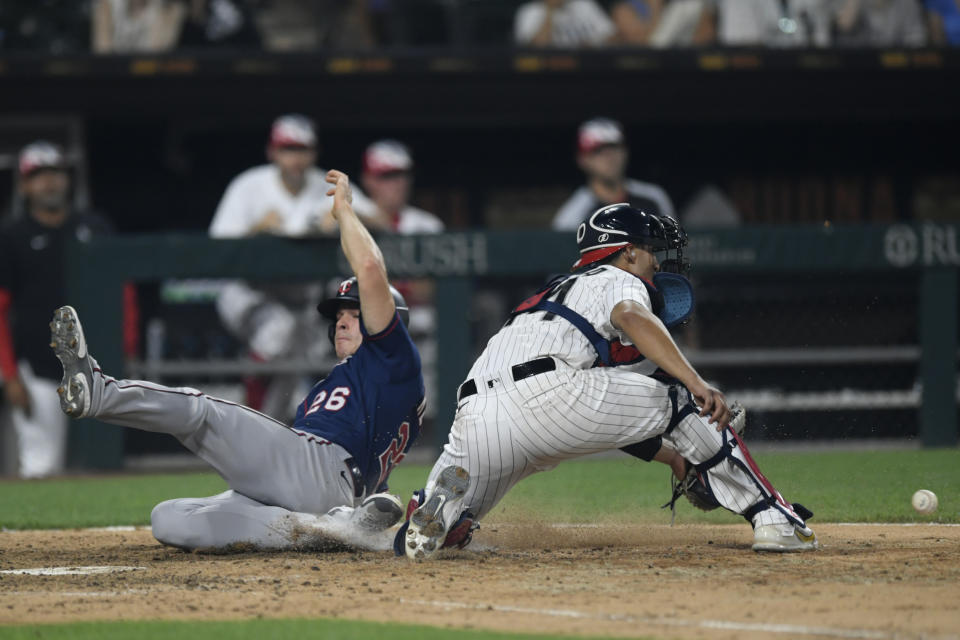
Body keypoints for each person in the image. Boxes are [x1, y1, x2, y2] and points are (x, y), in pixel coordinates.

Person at [399, 203, 818, 559]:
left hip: (476, 413)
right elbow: (633, 319)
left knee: (455, 530)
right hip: (548, 396)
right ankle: (774, 518)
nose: (655, 260)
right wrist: (695, 382)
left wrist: (675, 459)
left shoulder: (552, 292)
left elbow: (615, 416)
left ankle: (437, 510)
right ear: (629, 252)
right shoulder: (615, 278)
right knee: (681, 400)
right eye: (651, 249)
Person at [50, 170, 424, 551]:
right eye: (340, 314)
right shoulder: (356, 384)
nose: (343, 319)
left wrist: (344, 211)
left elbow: (371, 269)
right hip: (329, 487)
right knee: (170, 518)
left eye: (356, 312)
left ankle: (99, 392)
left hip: (324, 466)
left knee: (203, 412)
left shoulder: (392, 357)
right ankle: (325, 530)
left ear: (390, 323)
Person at [208, 114, 376, 420]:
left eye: (302, 149)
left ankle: (259, 430)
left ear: (313, 152)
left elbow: (378, 217)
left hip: (300, 296)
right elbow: (216, 249)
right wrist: (255, 230)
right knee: (278, 334)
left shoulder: (325, 182)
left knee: (293, 363)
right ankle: (248, 416)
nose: (295, 157)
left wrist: (345, 213)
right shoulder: (248, 185)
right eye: (287, 149)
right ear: (272, 152)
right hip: (247, 291)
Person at [0, 141, 118, 478]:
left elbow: (122, 296)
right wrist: (9, 375)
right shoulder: (11, 235)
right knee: (42, 465)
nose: (49, 182)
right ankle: (33, 535)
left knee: (102, 465)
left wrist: (125, 349)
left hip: (98, 365)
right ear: (24, 185)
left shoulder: (94, 228)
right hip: (37, 366)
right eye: (38, 175)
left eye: (55, 173)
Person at [552, 118, 675, 231]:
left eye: (614, 147)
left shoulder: (654, 197)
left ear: (625, 152)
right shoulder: (572, 217)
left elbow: (675, 247)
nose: (609, 157)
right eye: (598, 151)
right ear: (582, 160)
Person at [360, 139, 444, 234]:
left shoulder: (426, 225)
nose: (399, 183)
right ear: (368, 180)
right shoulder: (349, 216)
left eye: (403, 175)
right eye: (388, 176)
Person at [514, 0, 616, 47]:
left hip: (587, 70)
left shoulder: (585, 5)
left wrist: (592, 44)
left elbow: (614, 37)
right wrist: (550, 10)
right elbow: (538, 47)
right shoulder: (530, 12)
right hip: (548, 74)